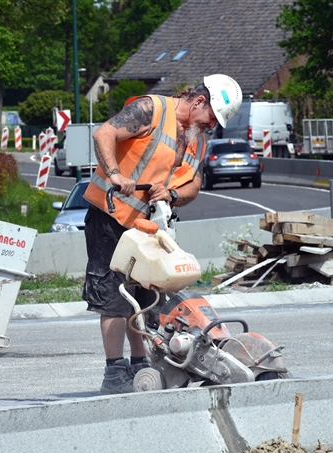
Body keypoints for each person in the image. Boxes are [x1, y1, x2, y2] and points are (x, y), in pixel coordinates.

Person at [82, 74, 243, 394]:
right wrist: (115, 174)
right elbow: (104, 133)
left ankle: (139, 364)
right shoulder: (151, 110)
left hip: (150, 227)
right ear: (199, 101)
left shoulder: (197, 138)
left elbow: (194, 184)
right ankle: (114, 371)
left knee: (146, 298)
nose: (212, 125)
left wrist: (171, 194)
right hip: (110, 217)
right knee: (113, 297)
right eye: (212, 117)